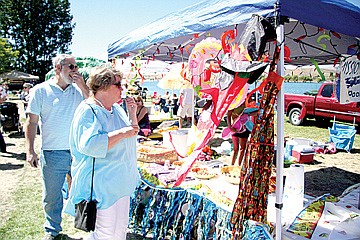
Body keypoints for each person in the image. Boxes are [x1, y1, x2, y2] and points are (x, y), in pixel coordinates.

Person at [65, 66, 139, 239]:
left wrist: (133, 114)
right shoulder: (88, 110)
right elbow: (90, 144)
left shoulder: (116, 109)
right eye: (118, 84)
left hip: (121, 184)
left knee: (119, 232)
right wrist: (122, 133)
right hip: (102, 187)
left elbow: (131, 133)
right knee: (105, 234)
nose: (122, 89)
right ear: (104, 86)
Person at [24, 54, 89, 240]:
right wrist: (30, 150)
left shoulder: (78, 90)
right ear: (58, 68)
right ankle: (52, 230)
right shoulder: (40, 91)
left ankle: (84, 223)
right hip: (52, 152)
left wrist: (83, 85)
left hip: (78, 151)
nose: (75, 70)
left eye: (76, 67)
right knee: (52, 196)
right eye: (71, 66)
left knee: (82, 189)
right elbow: (31, 122)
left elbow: (94, 103)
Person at [226, 98, 256, 166]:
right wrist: (230, 126)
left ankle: (239, 165)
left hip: (244, 129)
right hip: (235, 128)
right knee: (236, 148)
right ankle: (232, 165)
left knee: (242, 149)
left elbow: (256, 112)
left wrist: (248, 114)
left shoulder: (248, 103)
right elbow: (228, 115)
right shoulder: (234, 104)